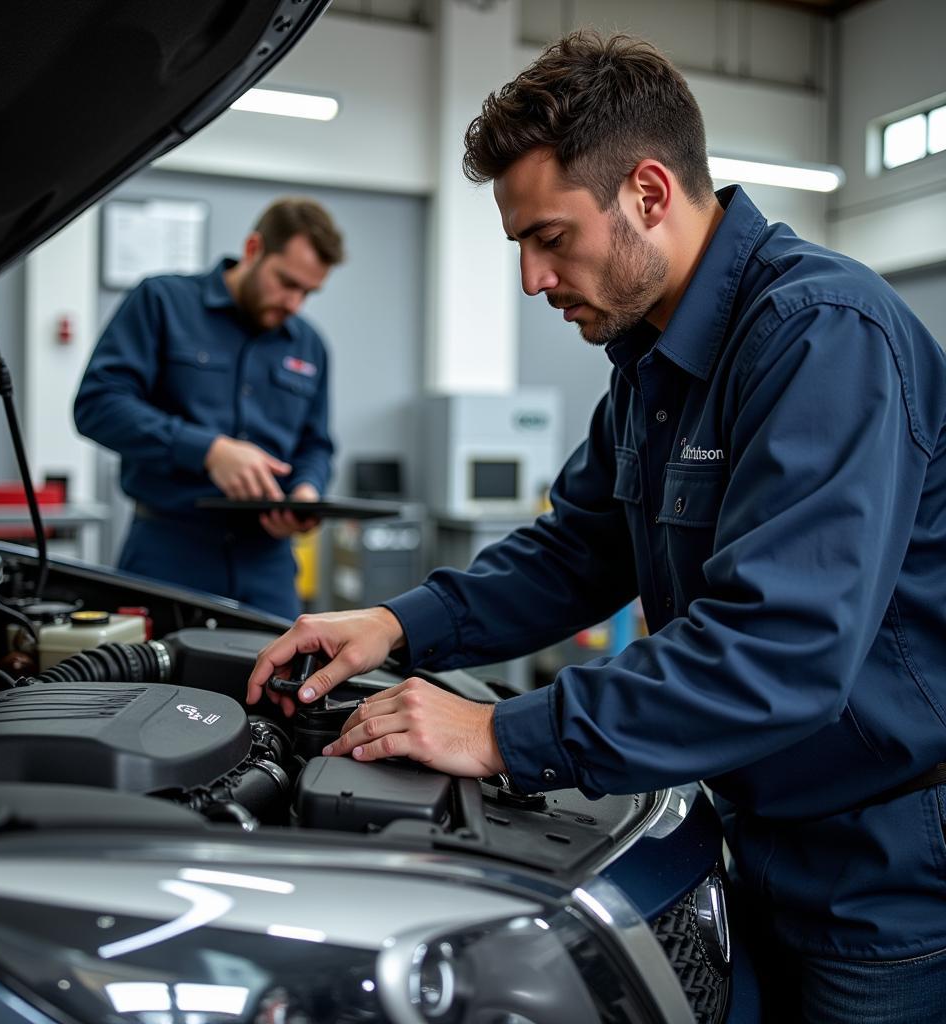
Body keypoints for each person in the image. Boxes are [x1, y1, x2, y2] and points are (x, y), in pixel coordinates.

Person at [246, 31, 946, 1021]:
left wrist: (501, 732)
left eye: (548, 238)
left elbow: (779, 645)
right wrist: (395, 625)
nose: (533, 281)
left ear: (648, 195)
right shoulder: (650, 368)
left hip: (882, 869)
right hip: (755, 828)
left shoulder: (823, 336)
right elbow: (576, 549)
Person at [75, 197, 344, 618]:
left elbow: (316, 443)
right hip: (168, 556)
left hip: (268, 567)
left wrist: (307, 493)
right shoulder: (161, 302)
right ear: (254, 249)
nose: (295, 303)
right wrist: (209, 451)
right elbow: (98, 404)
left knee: (282, 682)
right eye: (287, 283)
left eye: (308, 292)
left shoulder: (310, 345)